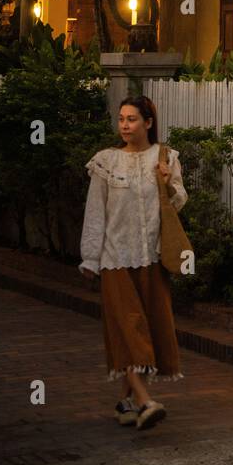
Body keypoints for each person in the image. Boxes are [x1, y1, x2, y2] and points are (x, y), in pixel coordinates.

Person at [78, 95, 188, 431]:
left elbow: (179, 202)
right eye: (122, 119)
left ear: (149, 123)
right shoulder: (105, 162)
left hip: (151, 258)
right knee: (128, 329)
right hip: (115, 259)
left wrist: (168, 181)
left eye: (132, 119)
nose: (125, 125)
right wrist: (91, 257)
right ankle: (144, 400)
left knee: (149, 328)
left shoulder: (166, 157)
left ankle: (125, 402)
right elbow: (96, 212)